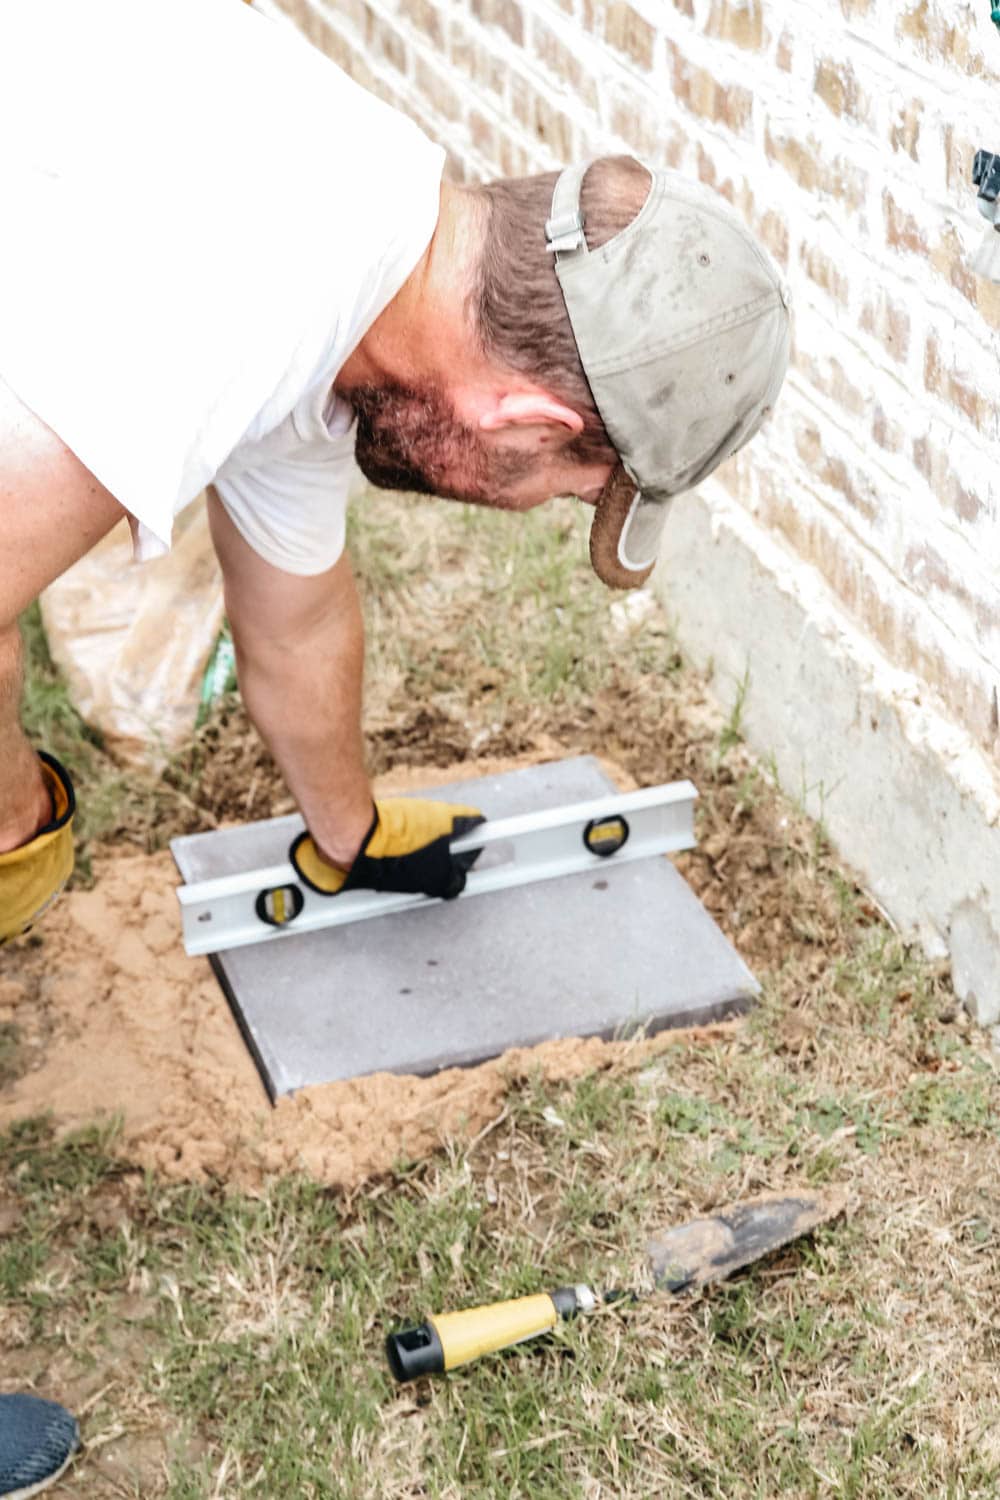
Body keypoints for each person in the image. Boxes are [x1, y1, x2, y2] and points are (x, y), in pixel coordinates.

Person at [0, 0, 790, 1486]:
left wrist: (351, 833)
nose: (549, 513)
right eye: (572, 491)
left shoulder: (368, 259)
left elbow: (293, 619)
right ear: (529, 415)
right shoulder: (248, 289)